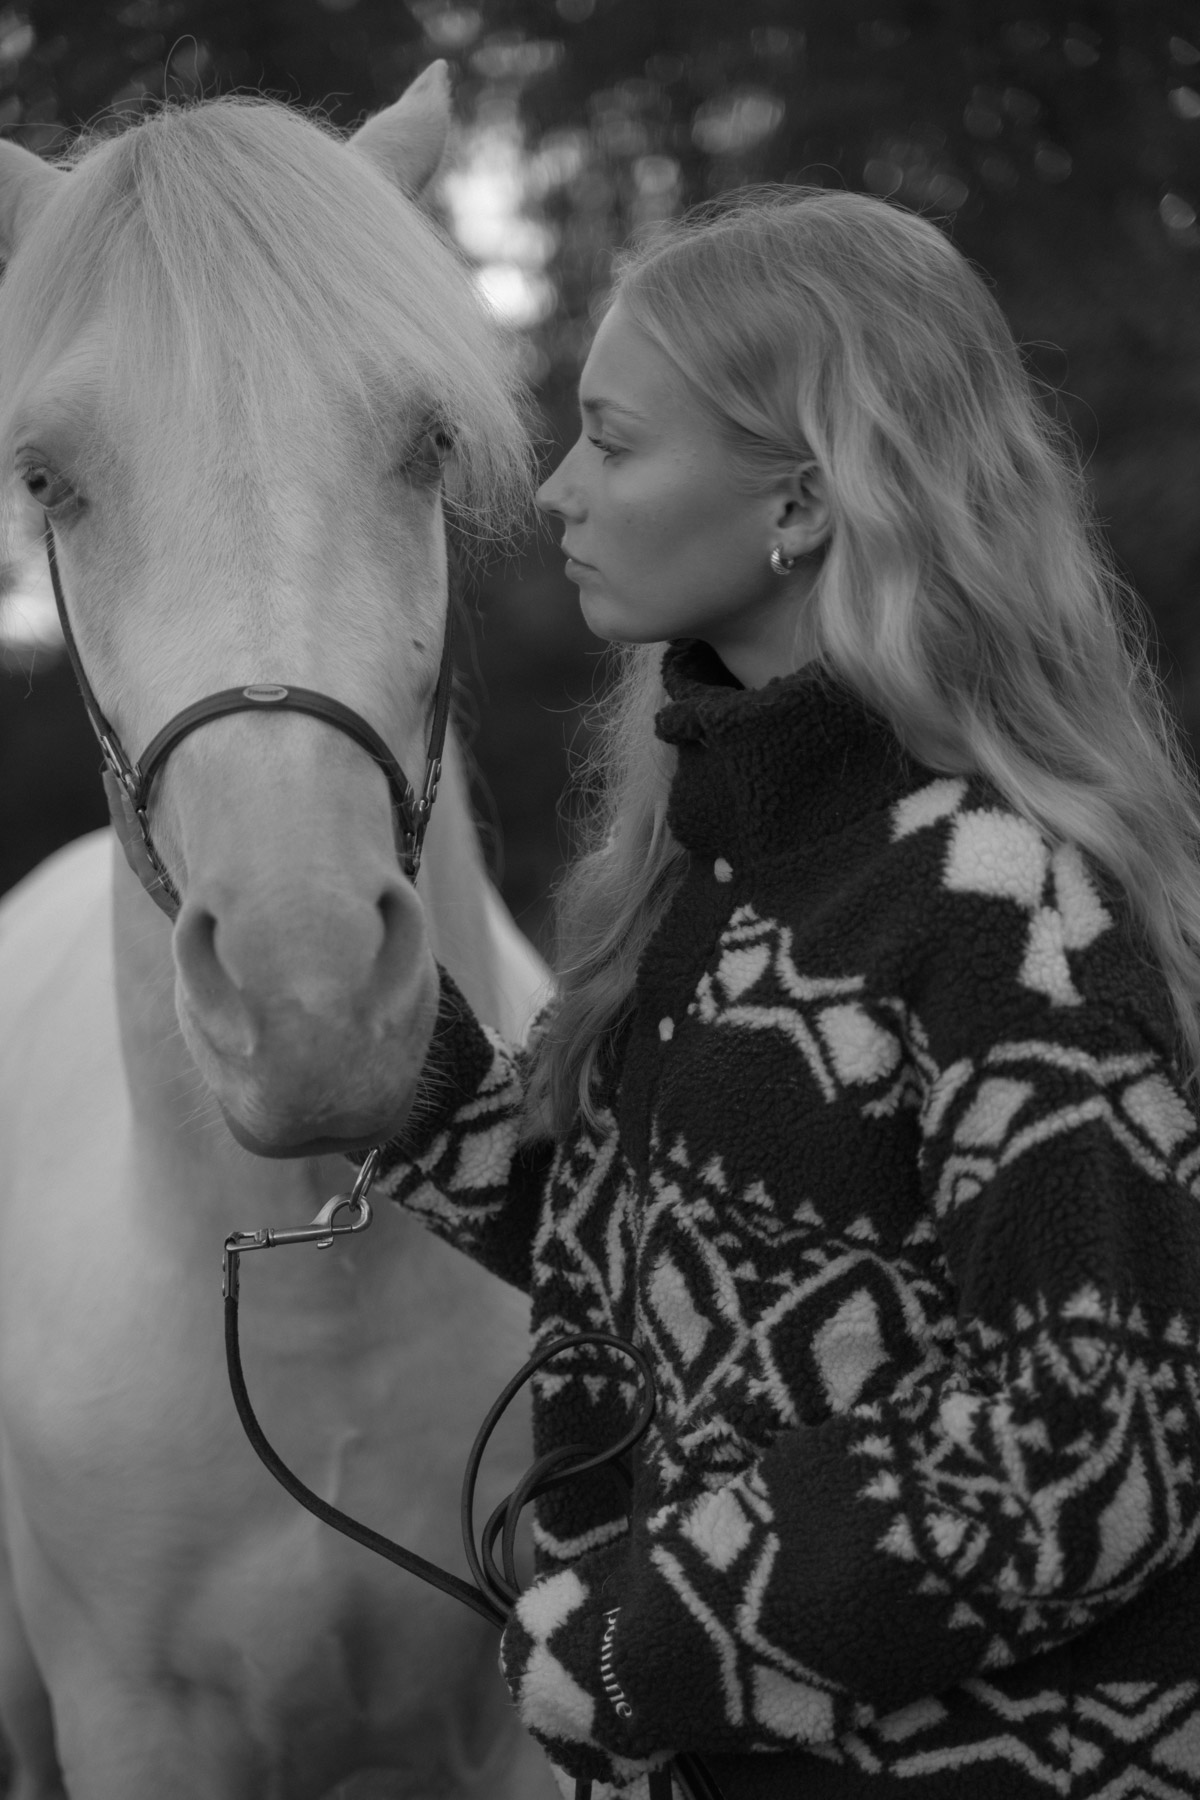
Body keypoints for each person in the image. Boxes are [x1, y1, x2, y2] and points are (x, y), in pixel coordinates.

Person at [368, 189, 1200, 1798]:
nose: (558, 489)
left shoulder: (998, 906)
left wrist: (656, 1634)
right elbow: (672, 1255)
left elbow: (1099, 1434)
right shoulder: (726, 869)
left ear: (802, 502)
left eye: (614, 442)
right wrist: (383, 1063)